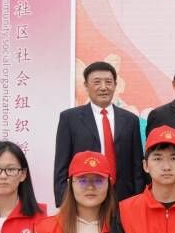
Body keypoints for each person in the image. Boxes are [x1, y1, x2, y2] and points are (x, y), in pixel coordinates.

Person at [53, 61, 144, 206]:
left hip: (124, 198)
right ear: (86, 85)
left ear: (115, 85)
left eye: (108, 82)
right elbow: (61, 166)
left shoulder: (130, 120)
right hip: (85, 197)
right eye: (97, 82)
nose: (103, 87)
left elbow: (137, 167)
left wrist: (138, 201)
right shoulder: (70, 118)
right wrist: (64, 203)